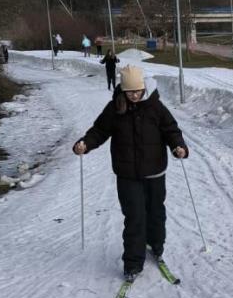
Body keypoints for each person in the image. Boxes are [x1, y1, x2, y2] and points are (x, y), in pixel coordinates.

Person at [73, 65, 188, 278]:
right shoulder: (115, 109)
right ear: (123, 90)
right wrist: (85, 144)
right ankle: (133, 263)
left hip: (154, 172)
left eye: (138, 91)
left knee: (155, 213)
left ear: (144, 87)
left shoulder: (156, 107)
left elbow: (171, 130)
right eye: (130, 92)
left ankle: (156, 246)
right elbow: (99, 131)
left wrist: (178, 147)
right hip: (127, 175)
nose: (135, 95)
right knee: (134, 217)